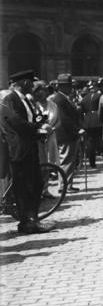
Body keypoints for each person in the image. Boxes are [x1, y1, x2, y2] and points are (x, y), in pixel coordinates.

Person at [0, 70, 52, 234]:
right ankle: (26, 222)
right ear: (22, 83)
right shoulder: (10, 99)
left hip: (30, 146)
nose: (33, 85)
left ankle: (32, 219)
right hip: (20, 149)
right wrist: (38, 129)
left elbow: (31, 118)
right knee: (24, 186)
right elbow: (17, 122)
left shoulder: (25, 100)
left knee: (36, 184)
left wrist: (40, 122)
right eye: (30, 82)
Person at [50, 73, 83, 192]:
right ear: (62, 86)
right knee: (66, 160)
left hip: (66, 133)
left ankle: (67, 184)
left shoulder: (62, 98)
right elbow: (64, 119)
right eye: (69, 86)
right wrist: (76, 130)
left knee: (69, 160)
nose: (71, 88)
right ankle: (64, 185)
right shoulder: (59, 99)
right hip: (65, 134)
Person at [80, 81, 103, 168]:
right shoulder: (100, 96)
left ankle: (92, 163)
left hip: (88, 122)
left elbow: (82, 111)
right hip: (99, 121)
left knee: (90, 144)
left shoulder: (84, 98)